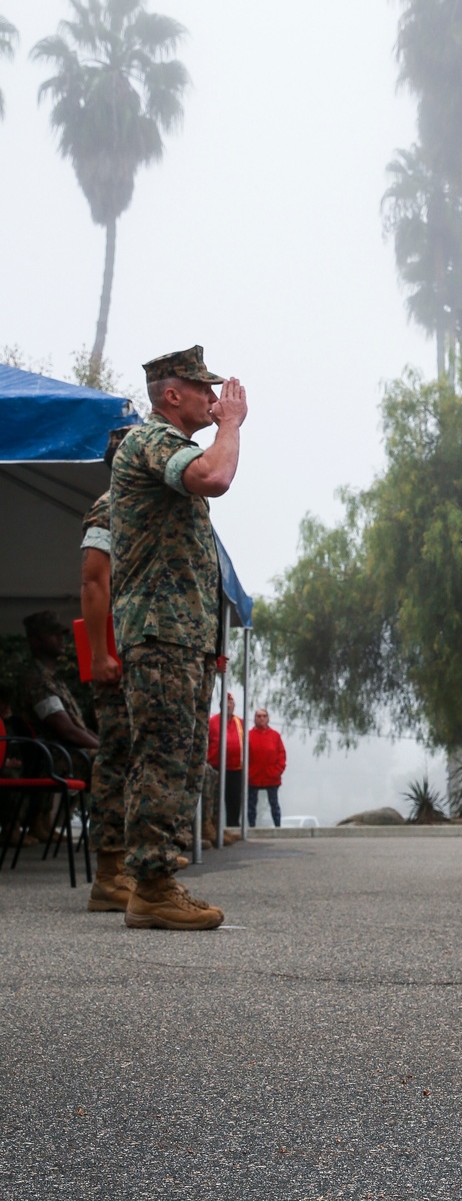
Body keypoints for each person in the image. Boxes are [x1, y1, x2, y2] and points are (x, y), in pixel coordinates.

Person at [111, 345, 247, 931]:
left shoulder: (173, 444)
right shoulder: (152, 442)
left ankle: (160, 879)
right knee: (162, 757)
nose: (212, 399)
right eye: (202, 389)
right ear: (172, 395)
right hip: (159, 632)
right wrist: (233, 425)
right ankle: (149, 885)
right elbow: (214, 476)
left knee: (184, 758)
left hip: (183, 636)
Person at [80, 427, 140, 911]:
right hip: (116, 654)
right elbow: (94, 581)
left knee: (137, 758)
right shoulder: (109, 506)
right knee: (116, 758)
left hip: (135, 652)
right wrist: (101, 654)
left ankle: (130, 861)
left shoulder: (136, 506)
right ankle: (108, 872)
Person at [16, 610, 99, 839]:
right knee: (115, 765)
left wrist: (102, 744)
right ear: (35, 641)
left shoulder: (51, 678)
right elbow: (66, 730)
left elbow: (78, 727)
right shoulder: (38, 680)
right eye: (53, 634)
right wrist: (103, 749)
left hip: (62, 754)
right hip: (53, 757)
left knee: (114, 757)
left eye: (61, 633)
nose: (62, 639)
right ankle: (123, 837)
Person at [208, 691, 245, 830]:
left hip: (235, 768)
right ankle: (213, 826)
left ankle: (233, 825)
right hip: (216, 766)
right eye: (226, 703)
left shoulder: (239, 723)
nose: (229, 706)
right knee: (215, 798)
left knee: (234, 799)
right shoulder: (213, 722)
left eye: (231, 703)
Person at [248, 708, 286, 828]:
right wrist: (247, 773)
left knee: (274, 804)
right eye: (258, 716)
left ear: (268, 718)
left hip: (271, 777)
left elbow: (282, 755)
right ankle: (252, 827)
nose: (261, 718)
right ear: (255, 718)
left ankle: (278, 826)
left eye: (264, 716)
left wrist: (277, 771)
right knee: (251, 804)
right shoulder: (248, 735)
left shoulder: (275, 735)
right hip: (253, 777)